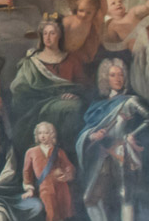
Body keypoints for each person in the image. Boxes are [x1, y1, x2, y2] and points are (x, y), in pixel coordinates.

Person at [75, 57, 149, 221]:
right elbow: (86, 131)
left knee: (125, 195)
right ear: (106, 78)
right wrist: (93, 135)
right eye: (113, 75)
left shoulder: (131, 101)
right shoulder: (97, 106)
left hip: (122, 151)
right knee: (89, 198)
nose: (117, 78)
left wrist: (132, 134)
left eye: (121, 75)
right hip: (103, 153)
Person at [8, 14, 89, 156]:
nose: (48, 37)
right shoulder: (32, 61)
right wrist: (53, 96)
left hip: (68, 103)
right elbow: (19, 90)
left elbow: (84, 86)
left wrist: (75, 94)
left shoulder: (71, 59)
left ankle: (66, 153)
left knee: (75, 107)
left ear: (59, 36)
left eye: (52, 33)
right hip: (38, 106)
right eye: (45, 33)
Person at [22, 122, 75, 221]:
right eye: (40, 133)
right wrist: (29, 188)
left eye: (46, 133)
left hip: (61, 188)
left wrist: (66, 174)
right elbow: (27, 173)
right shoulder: (31, 152)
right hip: (44, 188)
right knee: (48, 217)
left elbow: (69, 167)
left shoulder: (59, 151)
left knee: (59, 218)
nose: (43, 136)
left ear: (52, 135)